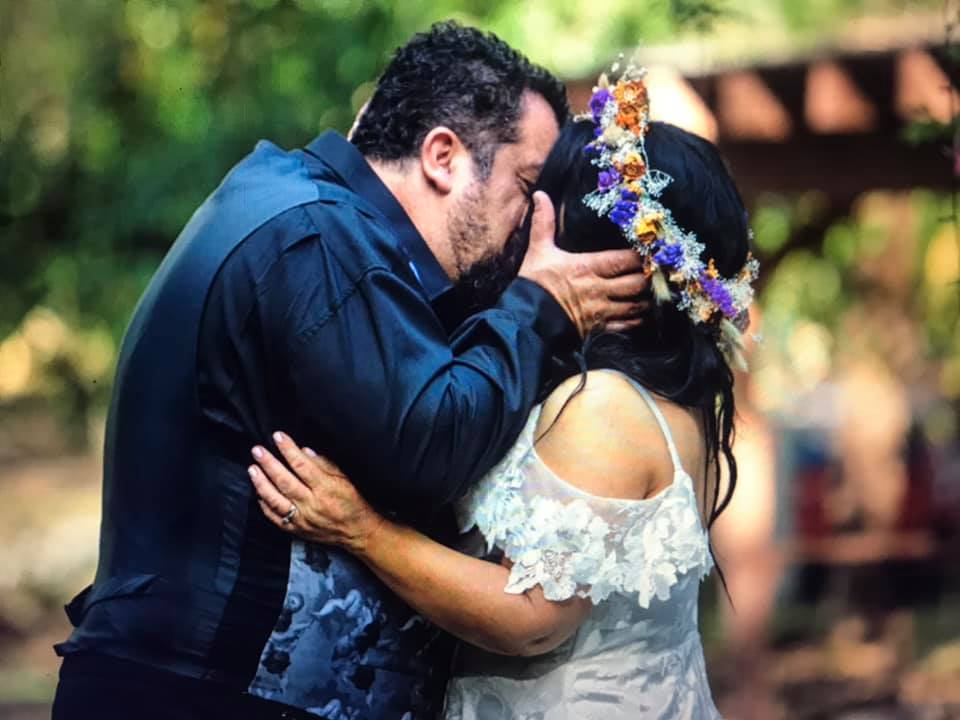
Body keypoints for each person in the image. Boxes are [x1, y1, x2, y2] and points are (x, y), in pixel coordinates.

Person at [51, 24, 649, 720]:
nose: (531, 227)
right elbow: (431, 447)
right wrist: (541, 306)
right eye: (525, 187)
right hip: (197, 695)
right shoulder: (317, 239)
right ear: (444, 157)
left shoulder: (311, 215)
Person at [249, 68, 759, 719]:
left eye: (540, 201)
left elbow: (534, 618)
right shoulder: (664, 398)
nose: (523, 224)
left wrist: (363, 530)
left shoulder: (604, 406)